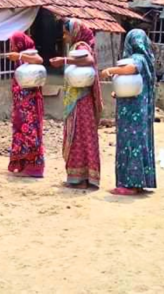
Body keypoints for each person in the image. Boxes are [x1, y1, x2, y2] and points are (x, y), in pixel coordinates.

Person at [101, 29, 156, 196]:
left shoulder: (138, 59)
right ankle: (139, 182)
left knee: (131, 143)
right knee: (139, 141)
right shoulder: (148, 59)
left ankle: (130, 183)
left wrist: (110, 71)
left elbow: (132, 69)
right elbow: (137, 86)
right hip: (137, 106)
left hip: (133, 112)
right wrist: (119, 93)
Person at [50, 19, 103, 189]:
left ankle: (82, 178)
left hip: (80, 100)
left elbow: (88, 61)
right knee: (82, 137)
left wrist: (64, 61)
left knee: (79, 136)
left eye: (66, 33)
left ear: (74, 33)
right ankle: (83, 177)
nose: (64, 37)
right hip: (79, 100)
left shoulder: (81, 46)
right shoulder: (79, 46)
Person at [6, 32, 46, 178]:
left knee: (30, 132)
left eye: (13, 44)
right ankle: (22, 163)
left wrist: (20, 56)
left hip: (30, 105)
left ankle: (34, 167)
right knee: (20, 132)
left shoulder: (29, 55)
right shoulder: (20, 59)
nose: (12, 47)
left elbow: (39, 60)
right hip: (20, 104)